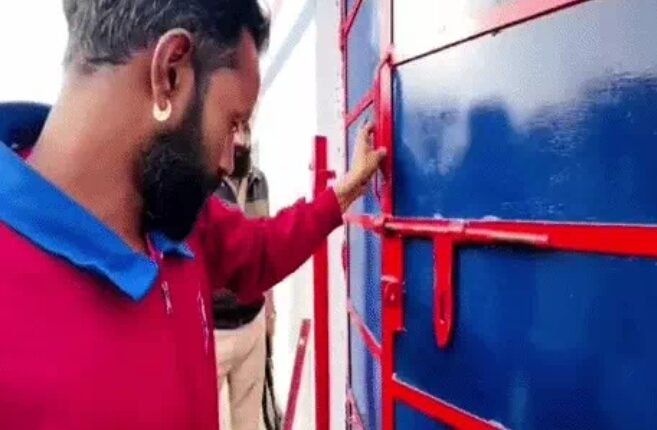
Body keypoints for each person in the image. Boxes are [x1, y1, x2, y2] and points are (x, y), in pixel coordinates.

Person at [0, 1, 384, 430]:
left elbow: (260, 249)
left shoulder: (177, 213)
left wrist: (346, 191)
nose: (228, 161)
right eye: (233, 121)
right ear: (170, 74)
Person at [213, 133, 280, 430]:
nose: (240, 137)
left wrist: (270, 310)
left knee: (249, 423)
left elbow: (266, 249)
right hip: (214, 328)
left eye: (245, 129)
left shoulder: (259, 181)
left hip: (253, 321)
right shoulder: (204, 183)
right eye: (234, 128)